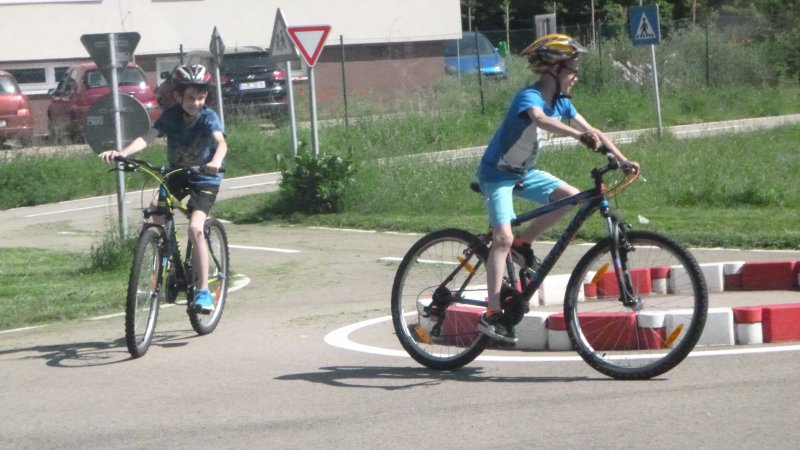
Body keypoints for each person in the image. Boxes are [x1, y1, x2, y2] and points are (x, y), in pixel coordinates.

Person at [475, 34, 639, 343]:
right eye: (572, 70)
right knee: (501, 238)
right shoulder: (530, 97)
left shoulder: (562, 102)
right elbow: (539, 120)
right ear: (554, 70)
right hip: (496, 174)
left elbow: (592, 130)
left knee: (571, 197)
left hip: (524, 173)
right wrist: (577, 137)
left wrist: (622, 159)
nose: (576, 76)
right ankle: (493, 313)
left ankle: (523, 245)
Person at [99, 64, 228, 314]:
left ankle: (203, 291)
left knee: (195, 228)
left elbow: (221, 143)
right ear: (178, 96)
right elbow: (147, 137)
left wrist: (215, 161)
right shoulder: (171, 116)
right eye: (190, 97)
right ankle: (163, 253)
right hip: (177, 174)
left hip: (205, 177)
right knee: (155, 208)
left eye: (200, 97)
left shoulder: (208, 117)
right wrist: (123, 153)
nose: (195, 103)